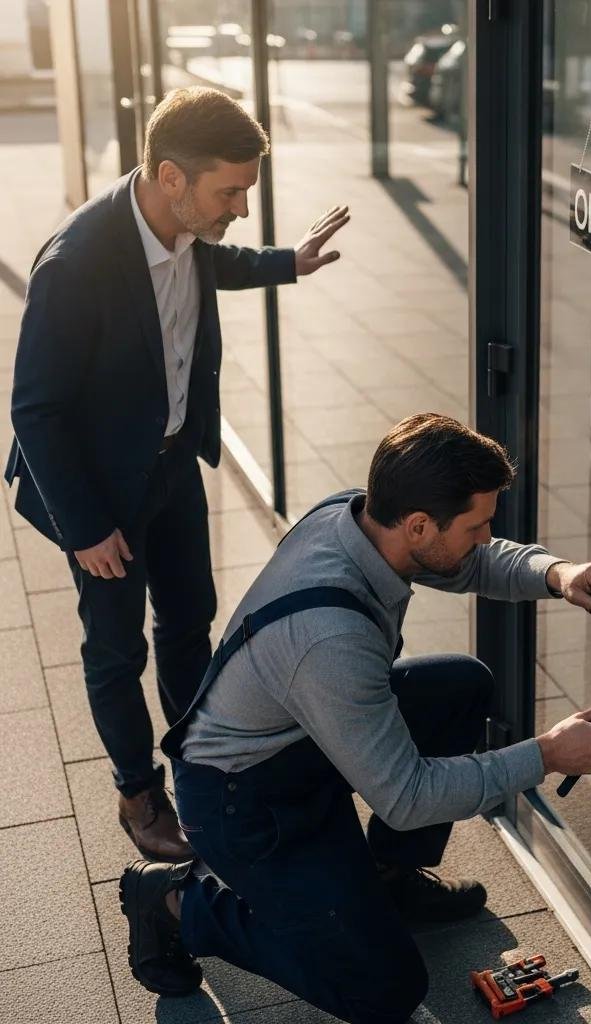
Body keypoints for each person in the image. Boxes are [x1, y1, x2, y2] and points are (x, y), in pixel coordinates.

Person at [118, 413, 591, 1021]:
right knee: (383, 989)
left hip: (302, 739)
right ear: (417, 524)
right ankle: (175, 902)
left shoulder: (357, 516)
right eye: (479, 524)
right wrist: (546, 754)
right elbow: (407, 796)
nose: (488, 537)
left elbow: (464, 562)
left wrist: (557, 573)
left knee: (462, 685)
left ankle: (387, 877)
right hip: (242, 803)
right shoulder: (331, 639)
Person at [5, 87, 351, 863]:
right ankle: (139, 792)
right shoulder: (76, 264)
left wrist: (287, 263)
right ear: (171, 178)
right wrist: (86, 528)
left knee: (191, 621)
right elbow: (35, 410)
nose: (239, 207)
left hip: (168, 468)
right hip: (100, 493)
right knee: (116, 650)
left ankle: (204, 763)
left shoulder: (181, 229)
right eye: (230, 191)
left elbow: (214, 259)